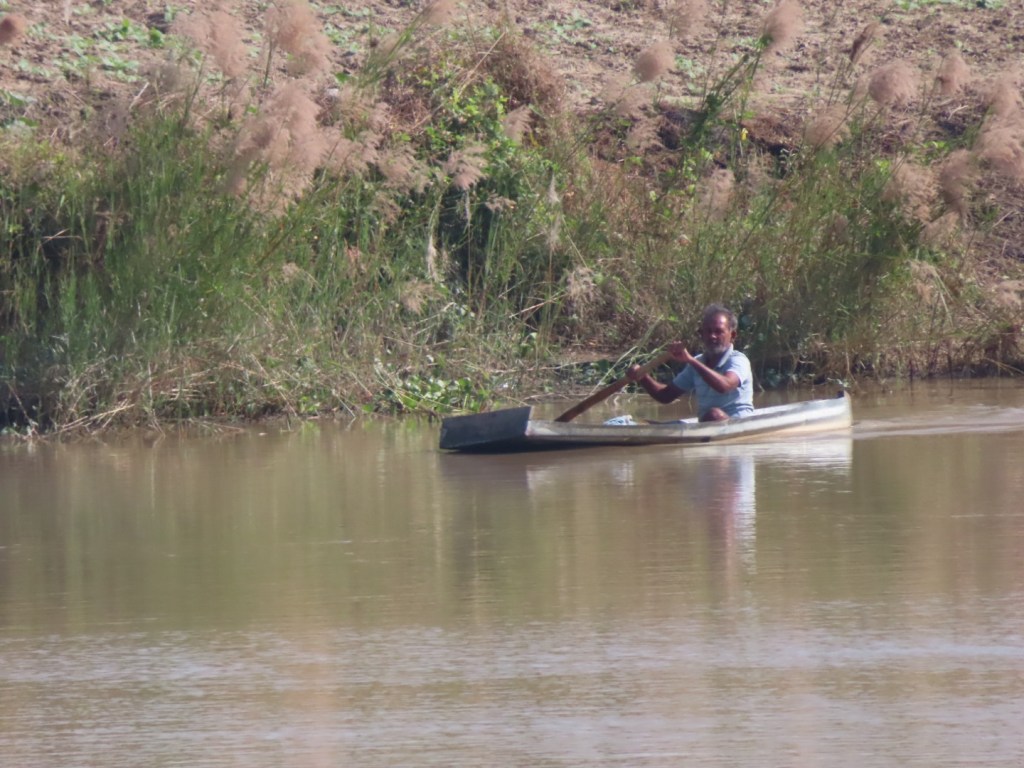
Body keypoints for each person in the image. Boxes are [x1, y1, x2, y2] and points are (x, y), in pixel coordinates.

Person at [627, 303, 754, 422]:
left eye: (718, 331)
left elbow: (725, 386)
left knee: (714, 415)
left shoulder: (738, 360)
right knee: (711, 416)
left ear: (733, 335)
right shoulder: (698, 362)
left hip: (737, 423)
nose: (712, 336)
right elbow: (666, 395)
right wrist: (643, 377)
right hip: (706, 425)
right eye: (708, 331)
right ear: (701, 335)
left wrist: (690, 360)